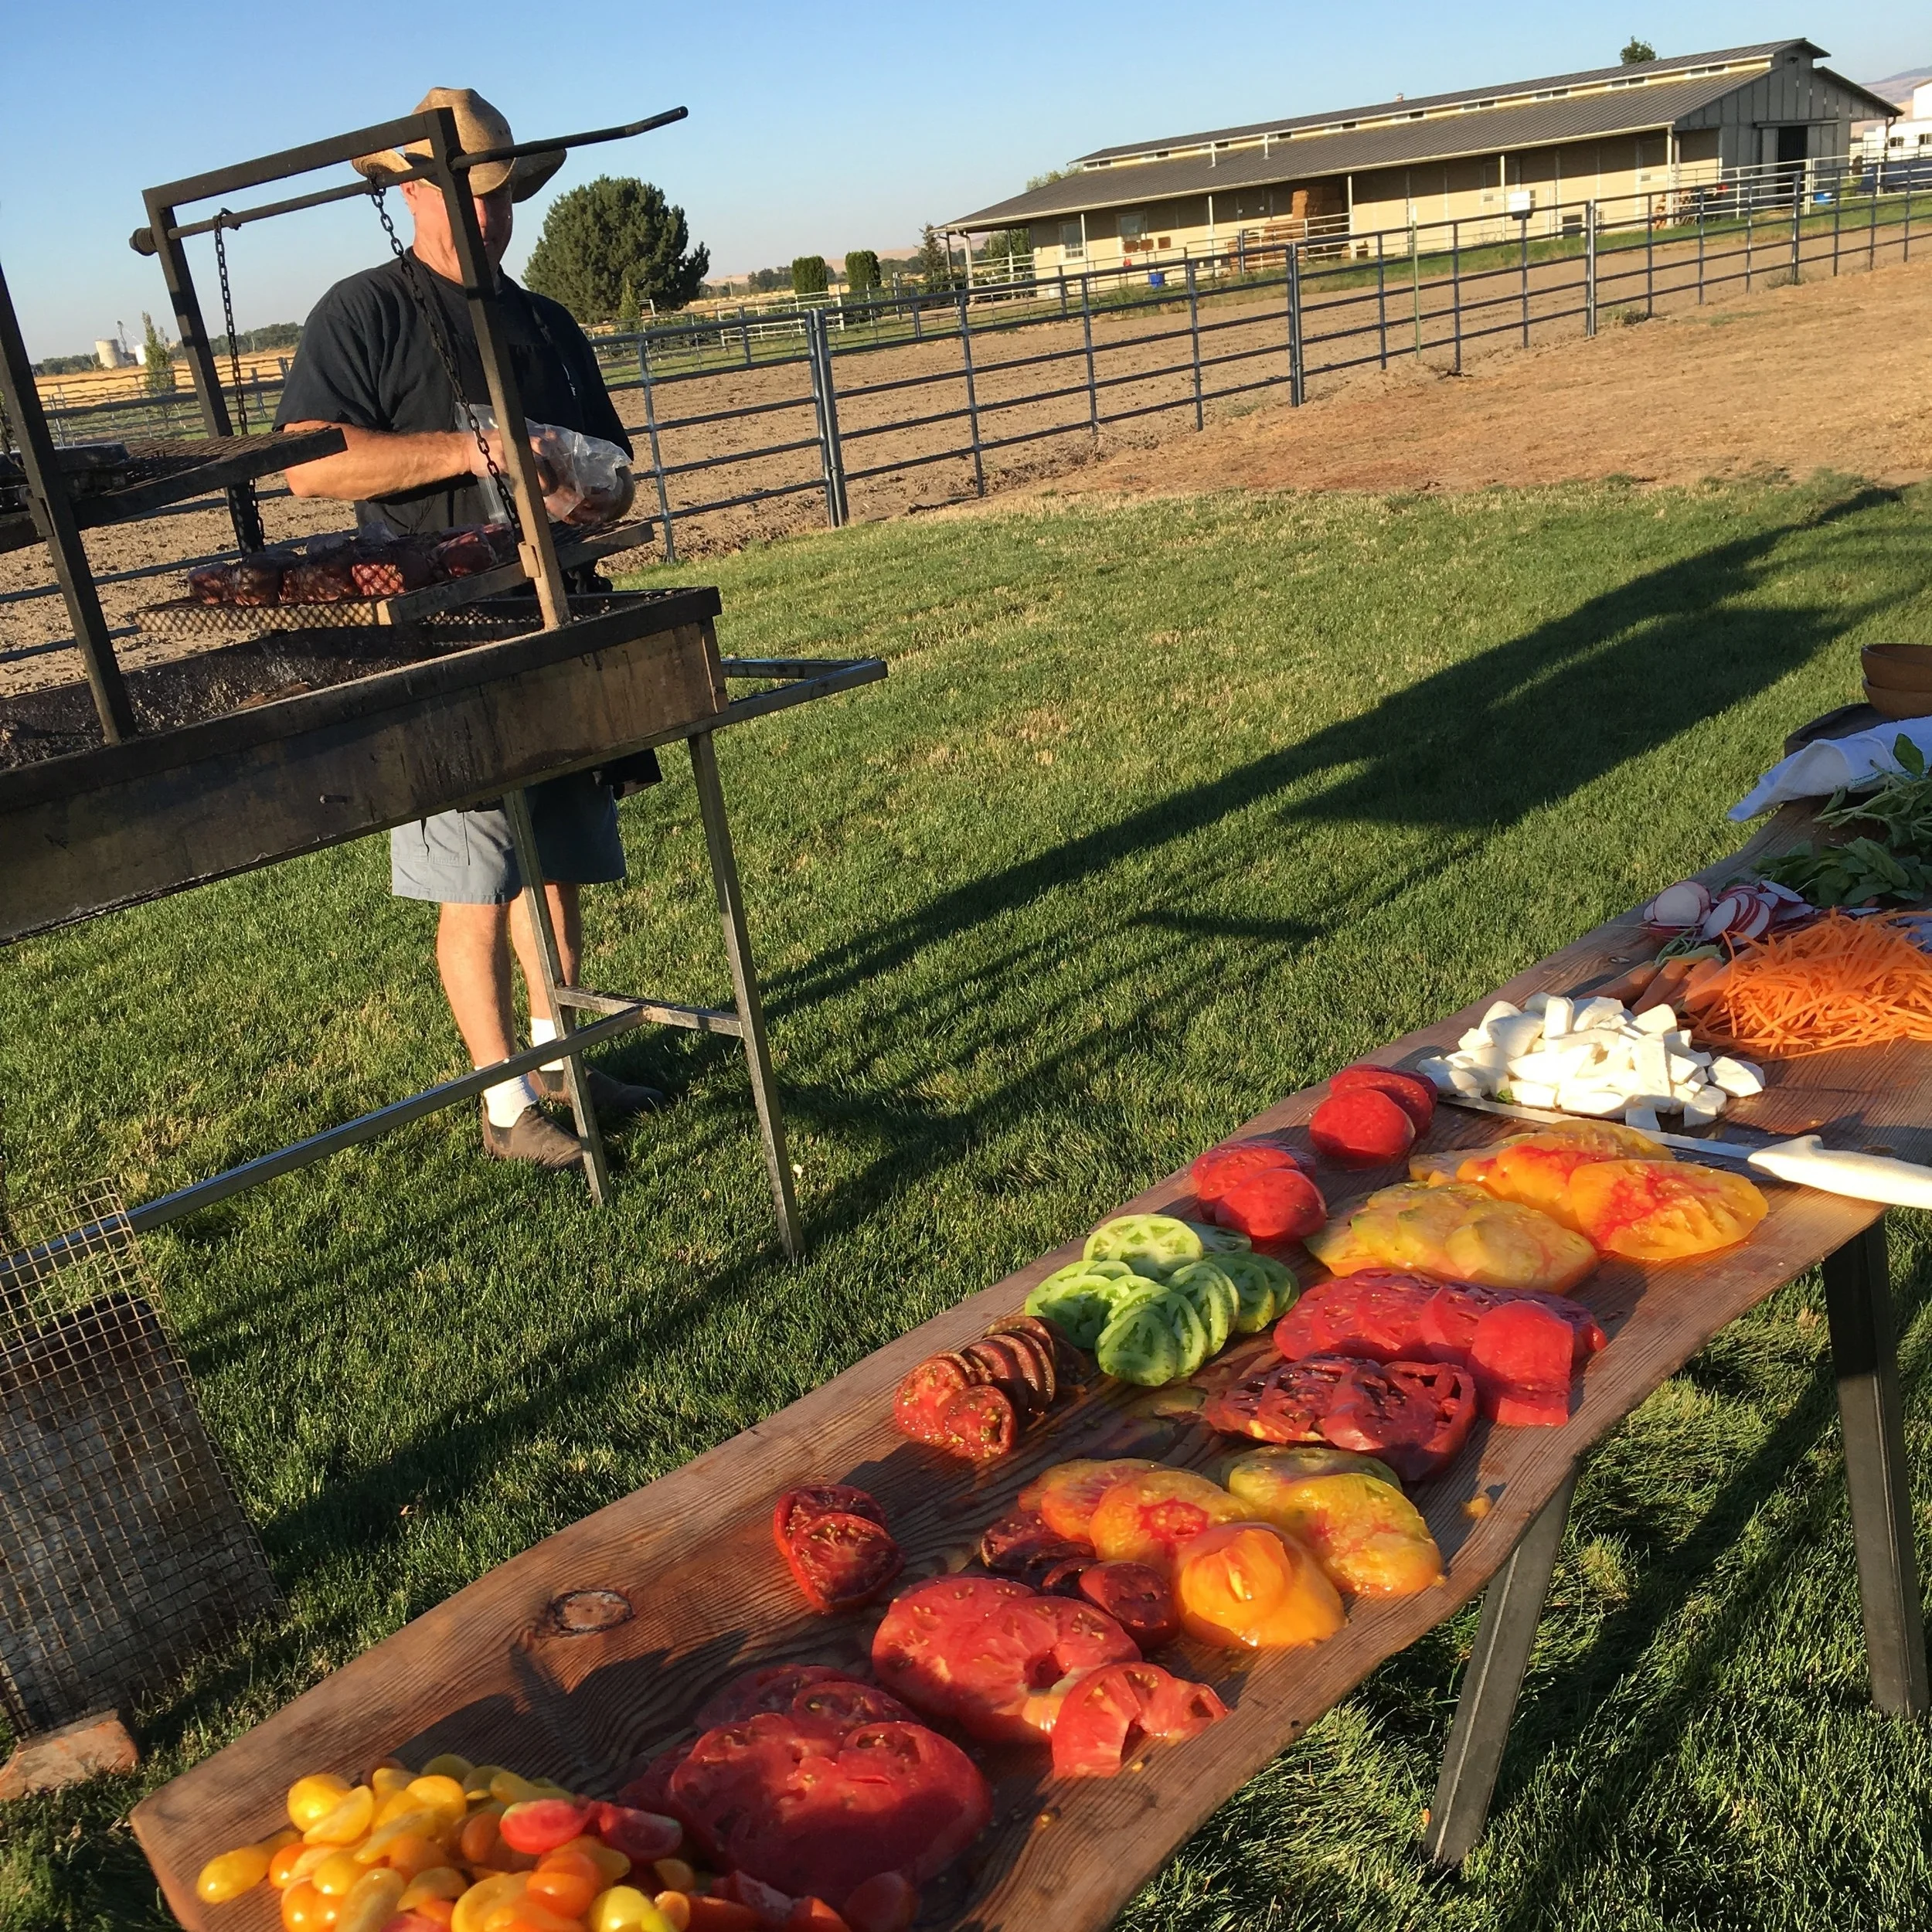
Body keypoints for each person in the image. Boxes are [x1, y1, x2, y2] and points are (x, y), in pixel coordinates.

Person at [276, 87, 659, 1169]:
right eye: (467, 196)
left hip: (562, 623)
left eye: (501, 198)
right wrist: (475, 454)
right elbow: (308, 463)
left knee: (559, 865)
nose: (490, 218)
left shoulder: (546, 322)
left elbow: (611, 468)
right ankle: (507, 1109)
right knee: (476, 882)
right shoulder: (363, 314)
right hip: (439, 641)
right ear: (406, 193)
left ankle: (564, 1059)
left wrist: (595, 494)